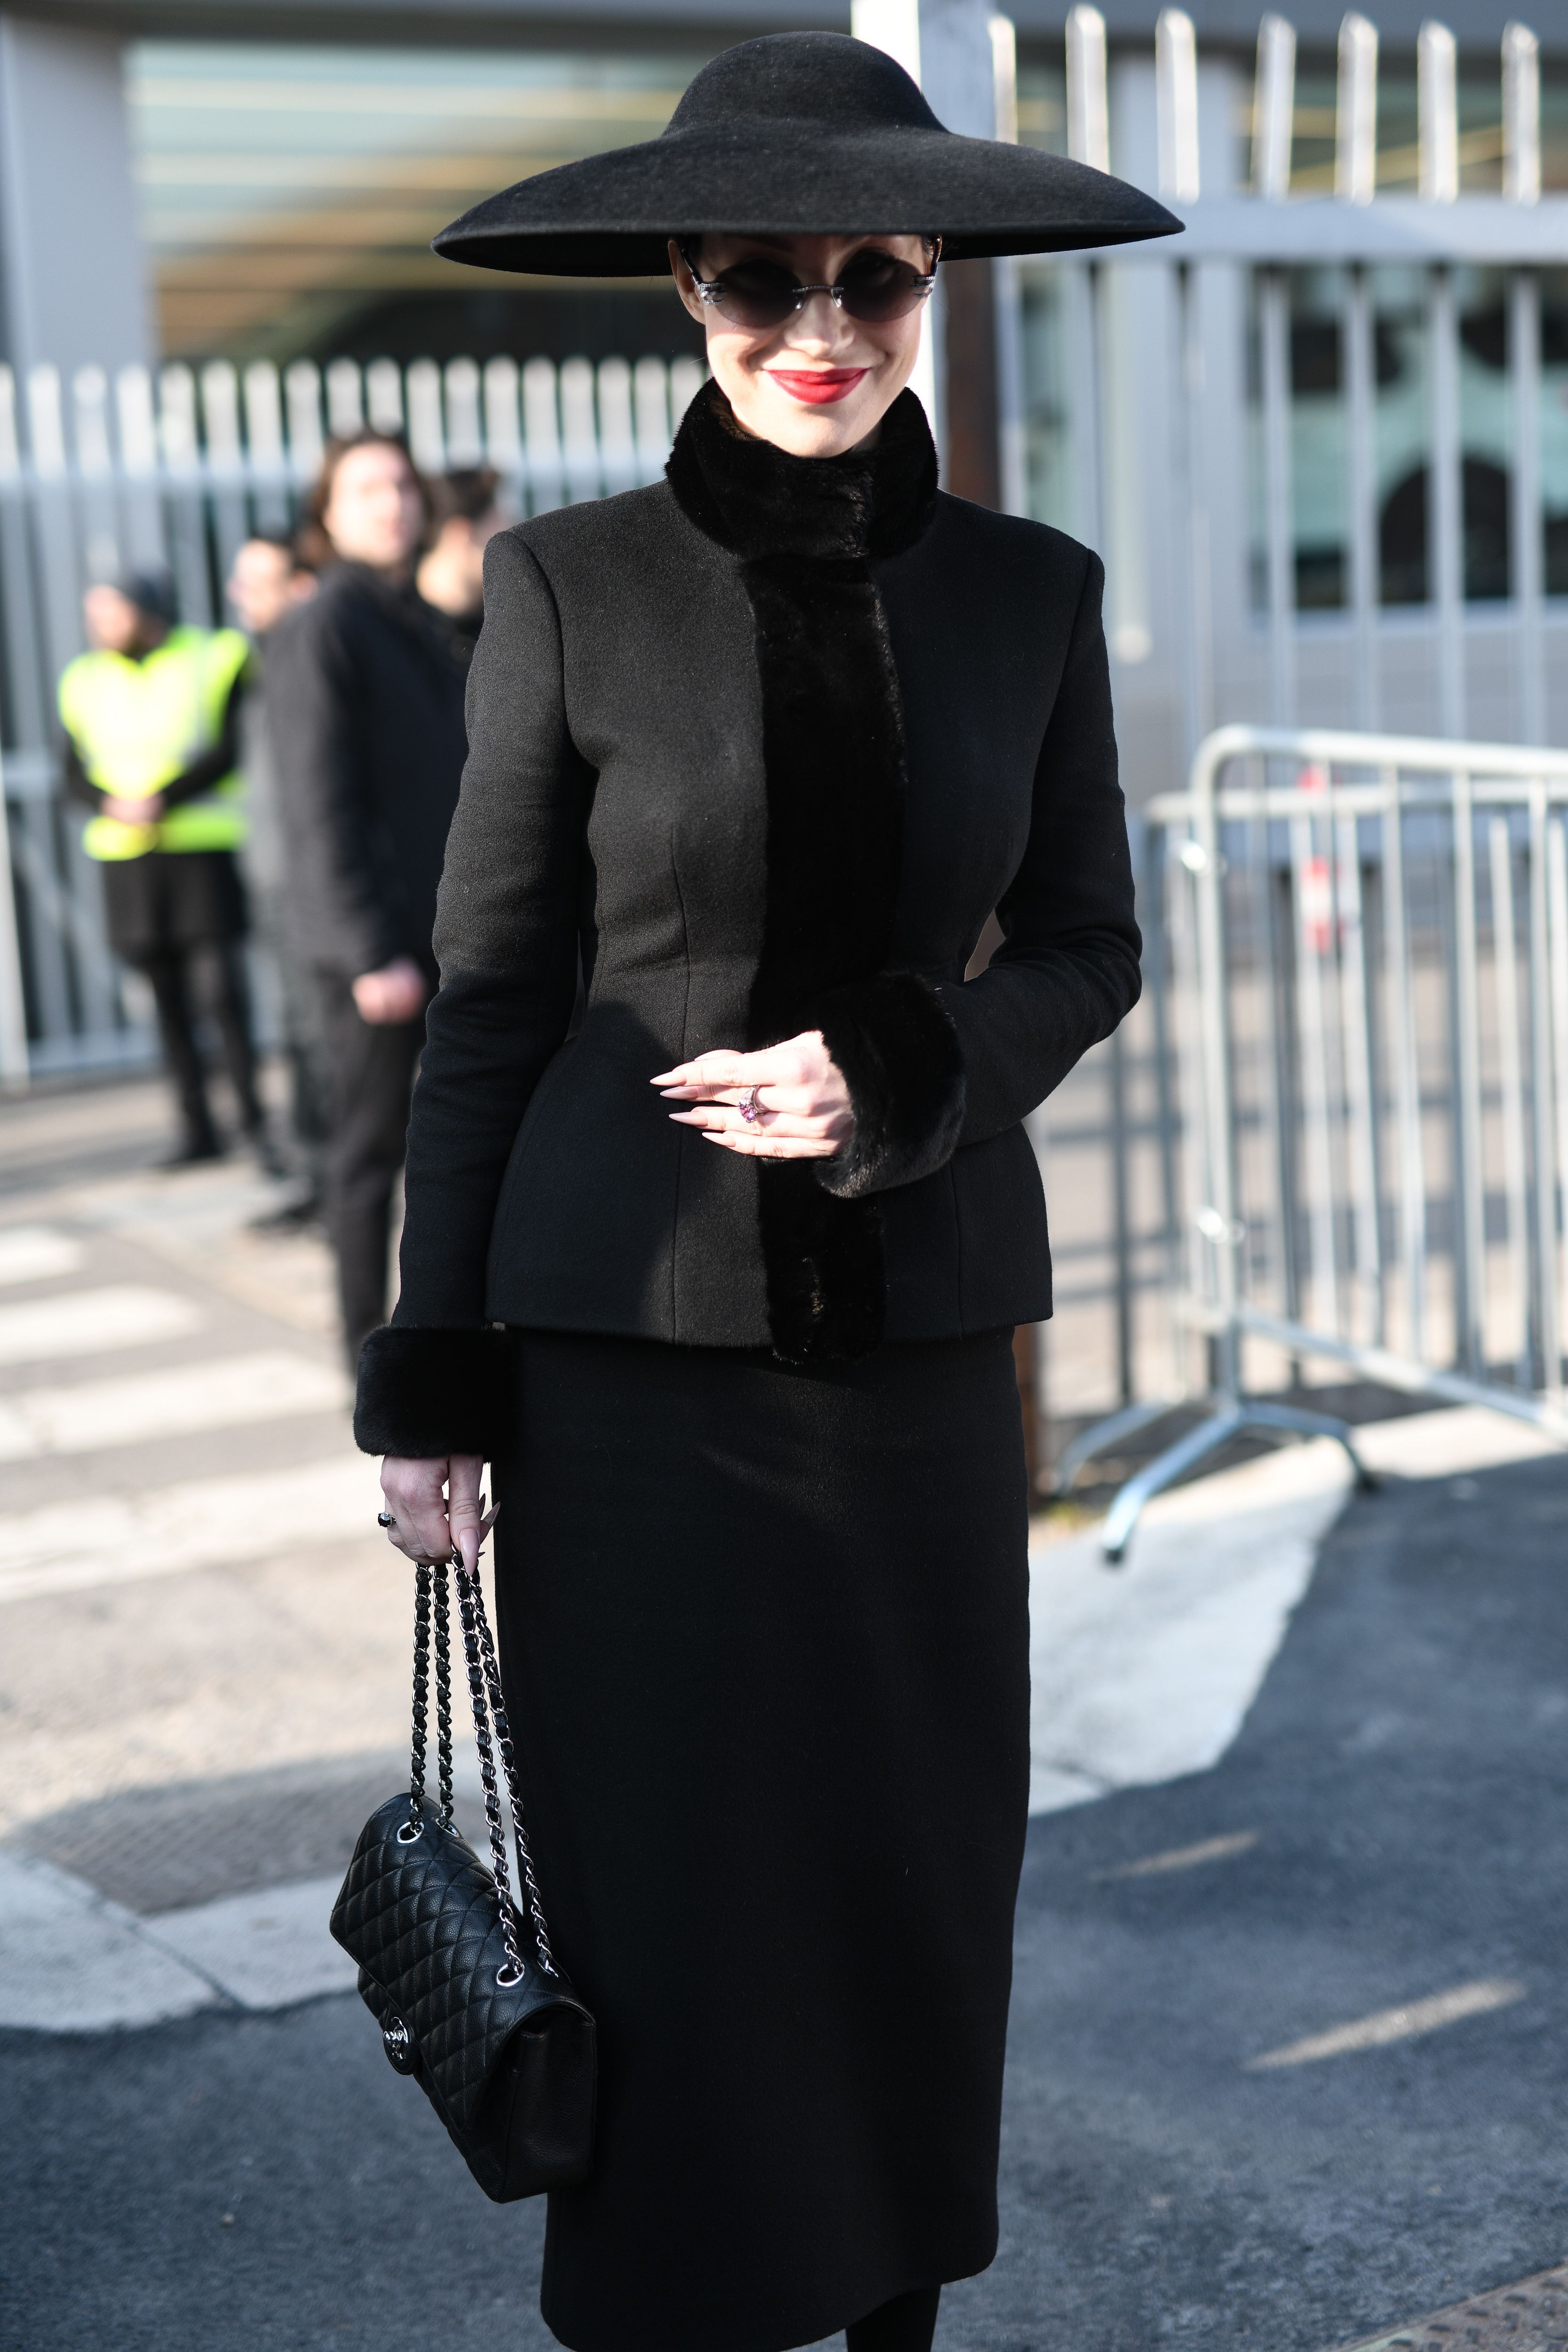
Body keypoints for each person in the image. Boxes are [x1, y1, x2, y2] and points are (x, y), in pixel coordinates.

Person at [358, 33, 1176, 2352]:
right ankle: (677, 2308)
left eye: (874, 278)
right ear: (684, 293)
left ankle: (894, 2307)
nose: (822, 327)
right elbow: (491, 1002)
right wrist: (428, 1381)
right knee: (675, 1892)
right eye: (759, 280)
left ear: (929, 284)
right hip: (626, 1371)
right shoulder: (565, 585)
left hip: (918, 1355)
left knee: (909, 1869)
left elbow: (1091, 943)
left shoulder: (1030, 594)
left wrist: (897, 1063)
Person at [263, 434, 468, 1367]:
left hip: (441, 933)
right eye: (367, 489)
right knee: (366, 1154)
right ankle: (363, 1353)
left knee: (448, 1146)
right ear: (328, 514)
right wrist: (366, 950)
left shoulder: (410, 615)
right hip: (377, 952)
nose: (392, 504)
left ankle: (439, 1335)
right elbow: (316, 802)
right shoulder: (325, 623)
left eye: (402, 486)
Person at [58, 569, 274, 1169]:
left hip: (200, 852)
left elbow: (230, 749)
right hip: (128, 860)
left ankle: (255, 1124)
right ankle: (197, 1129)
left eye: (111, 611)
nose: (99, 624)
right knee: (167, 1003)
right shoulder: (83, 679)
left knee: (221, 996)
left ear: (147, 609)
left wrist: (164, 799)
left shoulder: (214, 656)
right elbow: (70, 772)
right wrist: (112, 804)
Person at [225, 531, 328, 1226]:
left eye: (257, 583)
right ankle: (316, 1178)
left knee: (321, 1037)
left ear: (301, 587)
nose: (242, 596)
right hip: (270, 880)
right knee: (296, 1033)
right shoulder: (255, 664)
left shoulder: (316, 662)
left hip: (311, 887)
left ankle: (334, 1184)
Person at [415, 467, 505, 667]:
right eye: (498, 519)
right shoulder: (400, 627)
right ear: (464, 533)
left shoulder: (498, 615)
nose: (509, 528)